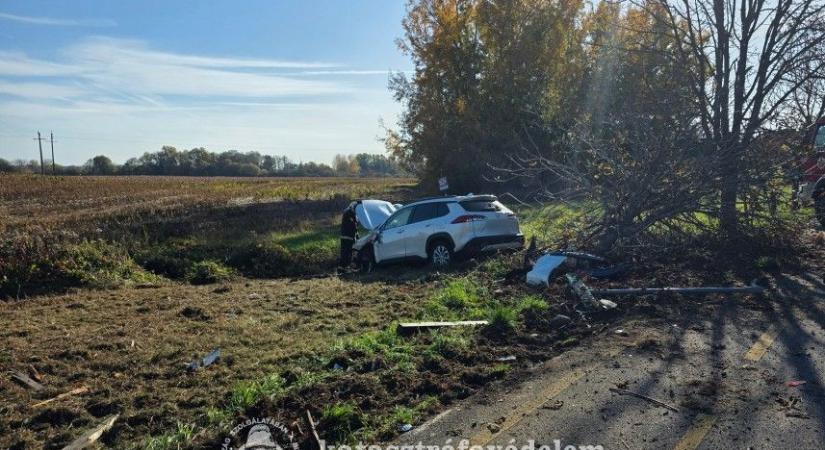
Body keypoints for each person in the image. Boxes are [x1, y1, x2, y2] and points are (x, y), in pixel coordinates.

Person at [339, 204, 358, 271]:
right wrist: (356, 236)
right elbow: (354, 225)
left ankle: (342, 267)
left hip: (345, 235)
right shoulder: (350, 213)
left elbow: (354, 225)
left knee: (344, 252)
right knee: (348, 252)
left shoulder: (347, 212)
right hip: (348, 236)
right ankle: (346, 267)